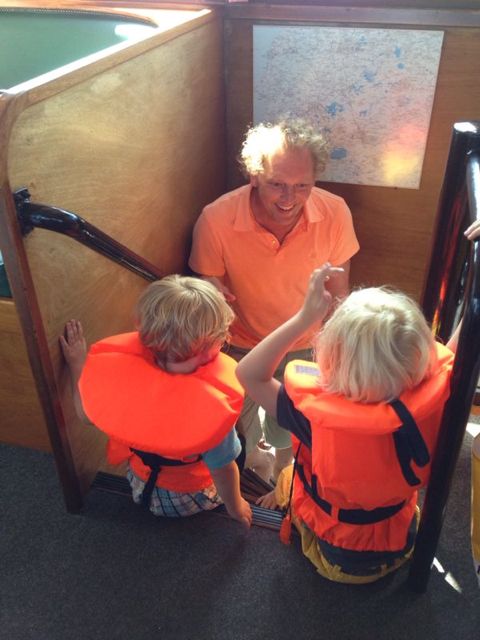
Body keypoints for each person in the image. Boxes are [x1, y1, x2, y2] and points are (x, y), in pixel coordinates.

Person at [236, 262, 463, 583]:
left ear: (331, 359)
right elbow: (455, 354)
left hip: (335, 556)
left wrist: (305, 317)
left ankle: (278, 497)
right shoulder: (438, 397)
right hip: (401, 541)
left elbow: (248, 373)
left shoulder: (312, 418)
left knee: (287, 476)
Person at [189, 119, 359, 481]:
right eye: (277, 184)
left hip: (308, 343)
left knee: (291, 419)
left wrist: (339, 353)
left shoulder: (335, 212)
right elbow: (206, 284)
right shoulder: (216, 219)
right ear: (254, 175)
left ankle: (284, 466)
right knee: (236, 431)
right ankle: (255, 467)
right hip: (241, 344)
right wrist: (211, 290)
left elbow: (339, 292)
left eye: (302, 186)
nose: (288, 199)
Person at [60, 275, 252, 527]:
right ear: (209, 348)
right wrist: (237, 508)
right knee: (238, 450)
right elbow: (223, 470)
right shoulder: (212, 407)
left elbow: (85, 414)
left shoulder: (124, 379)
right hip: (186, 498)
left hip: (139, 483)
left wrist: (77, 363)